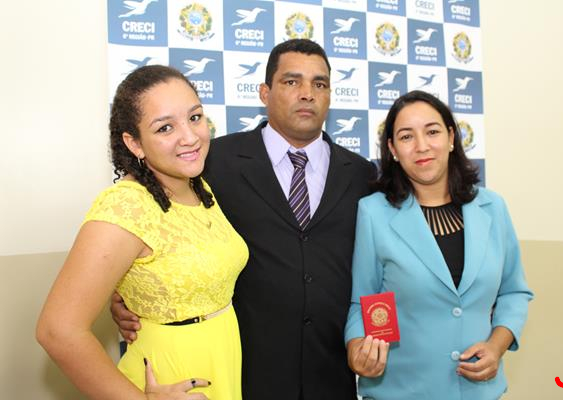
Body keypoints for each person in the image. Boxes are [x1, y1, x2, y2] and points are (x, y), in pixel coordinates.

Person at [113, 39, 375, 399]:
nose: (307, 93)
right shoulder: (209, 162)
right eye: (291, 81)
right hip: (241, 373)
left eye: (320, 84)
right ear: (265, 92)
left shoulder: (362, 174)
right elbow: (154, 232)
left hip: (332, 374)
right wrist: (125, 294)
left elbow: (379, 266)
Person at [37, 65, 249, 400]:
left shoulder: (198, 187)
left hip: (219, 361)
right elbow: (57, 331)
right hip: (171, 378)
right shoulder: (126, 206)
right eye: (165, 127)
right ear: (134, 143)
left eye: (194, 117)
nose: (190, 136)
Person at [345, 90, 533, 400]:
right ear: (392, 149)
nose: (422, 146)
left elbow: (514, 292)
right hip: (401, 390)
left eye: (432, 132)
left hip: (478, 392)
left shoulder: (493, 208)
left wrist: (496, 346)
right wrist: (357, 348)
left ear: (451, 138)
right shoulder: (374, 212)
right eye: (406, 137)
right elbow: (363, 300)